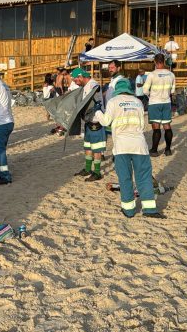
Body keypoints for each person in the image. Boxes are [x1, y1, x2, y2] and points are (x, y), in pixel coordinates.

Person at [93, 79, 161, 218]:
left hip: (122, 146)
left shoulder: (113, 101)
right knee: (144, 177)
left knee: (125, 178)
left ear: (117, 89)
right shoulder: (138, 102)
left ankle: (129, 210)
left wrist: (98, 111)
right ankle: (149, 209)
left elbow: (106, 121)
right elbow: (141, 125)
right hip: (139, 145)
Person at [71, 67, 105, 181]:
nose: (75, 82)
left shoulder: (92, 84)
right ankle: (87, 168)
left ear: (80, 76)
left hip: (96, 121)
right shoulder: (85, 86)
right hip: (88, 121)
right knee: (88, 147)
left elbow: (96, 89)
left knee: (96, 148)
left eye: (75, 80)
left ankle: (96, 172)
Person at [143, 53, 176, 156]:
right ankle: (168, 150)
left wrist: (150, 96)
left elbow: (144, 90)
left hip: (154, 102)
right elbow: (173, 90)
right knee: (167, 126)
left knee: (156, 127)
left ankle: (154, 150)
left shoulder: (152, 75)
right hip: (166, 102)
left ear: (155, 62)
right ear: (164, 61)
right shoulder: (171, 74)